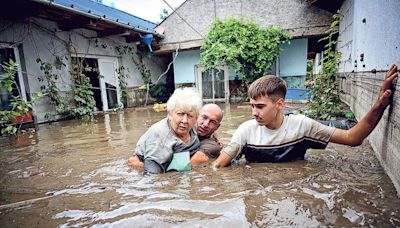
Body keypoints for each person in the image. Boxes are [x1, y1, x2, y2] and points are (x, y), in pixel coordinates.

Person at [212, 64, 398, 168]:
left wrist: (379, 104)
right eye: (252, 106)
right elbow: (218, 166)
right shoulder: (246, 130)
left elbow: (353, 138)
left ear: (280, 104)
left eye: (260, 107)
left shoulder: (302, 126)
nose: (254, 113)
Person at [128, 87, 203, 174]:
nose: (185, 120)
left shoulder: (194, 127)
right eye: (180, 114)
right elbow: (153, 175)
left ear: (196, 118)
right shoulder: (159, 134)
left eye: (190, 115)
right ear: (170, 114)